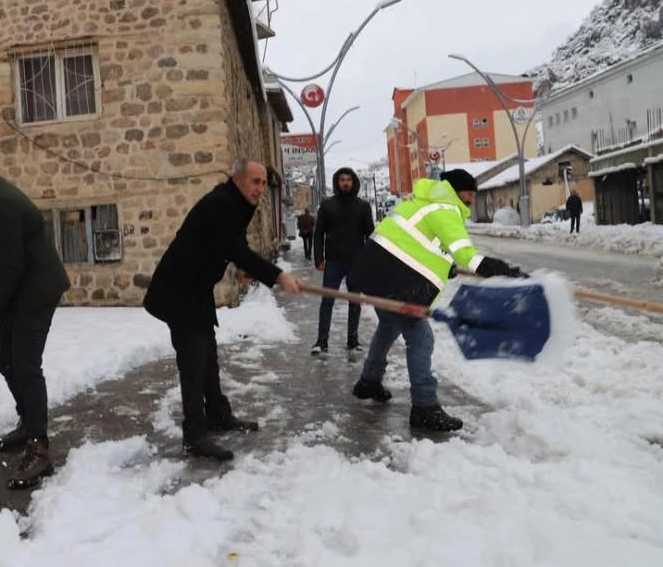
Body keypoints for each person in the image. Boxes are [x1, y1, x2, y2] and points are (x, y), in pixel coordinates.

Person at [144, 159, 301, 460]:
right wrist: (277, 276)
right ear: (238, 180)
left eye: (263, 183)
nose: (260, 189)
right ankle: (194, 435)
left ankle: (217, 415)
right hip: (178, 291)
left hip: (195, 289)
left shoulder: (235, 203)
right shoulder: (222, 204)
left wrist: (240, 266)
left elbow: (228, 243)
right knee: (193, 363)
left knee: (207, 356)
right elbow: (236, 246)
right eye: (255, 181)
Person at [347, 169, 525, 432]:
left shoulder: (425, 202)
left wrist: (447, 266)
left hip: (377, 272)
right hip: (397, 281)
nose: (471, 199)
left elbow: (420, 242)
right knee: (421, 339)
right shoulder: (445, 208)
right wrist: (504, 270)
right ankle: (425, 406)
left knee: (388, 327)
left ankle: (369, 381)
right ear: (456, 190)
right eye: (469, 193)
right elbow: (468, 255)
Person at [0, 145, 71, 488]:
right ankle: (28, 424)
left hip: (35, 292)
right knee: (7, 361)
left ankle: (40, 449)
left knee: (25, 366)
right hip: (20, 291)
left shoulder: (1, 205)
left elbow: (11, 267)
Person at [311, 167, 375, 354]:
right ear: (337, 183)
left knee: (354, 302)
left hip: (356, 261)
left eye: (348, 179)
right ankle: (321, 341)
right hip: (333, 261)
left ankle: (352, 340)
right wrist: (318, 257)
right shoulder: (327, 205)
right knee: (327, 301)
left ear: (353, 182)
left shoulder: (363, 206)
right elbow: (318, 234)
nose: (345, 182)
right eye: (342, 180)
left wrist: (370, 259)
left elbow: (370, 235)